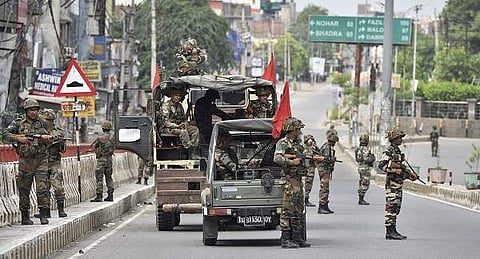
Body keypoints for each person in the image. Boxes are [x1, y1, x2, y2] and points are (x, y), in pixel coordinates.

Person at [274, 117, 323, 249]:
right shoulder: (283, 143)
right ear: (292, 130)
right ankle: (285, 239)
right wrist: (291, 162)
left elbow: (305, 157)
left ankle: (297, 237)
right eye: (298, 129)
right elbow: (277, 157)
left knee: (298, 210)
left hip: (297, 181)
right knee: (287, 210)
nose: (299, 132)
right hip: (289, 181)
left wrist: (315, 159)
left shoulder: (297, 145)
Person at [5, 98, 53, 225]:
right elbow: (6, 134)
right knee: (24, 188)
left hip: (41, 159)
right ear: (26, 110)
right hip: (25, 161)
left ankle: (43, 214)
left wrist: (48, 139)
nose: (34, 112)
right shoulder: (19, 123)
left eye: (36, 110)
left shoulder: (43, 122)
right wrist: (19, 139)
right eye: (31, 110)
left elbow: (52, 137)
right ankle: (25, 215)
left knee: (42, 187)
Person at [378, 127, 417, 240]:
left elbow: (401, 169)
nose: (401, 140)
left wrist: (409, 176)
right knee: (391, 206)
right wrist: (395, 170)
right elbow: (381, 165)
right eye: (399, 137)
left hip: (398, 184)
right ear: (394, 139)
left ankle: (393, 230)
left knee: (396, 207)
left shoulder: (397, 151)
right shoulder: (389, 151)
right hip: (392, 184)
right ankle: (390, 231)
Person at [32, 109, 68, 219]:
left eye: (47, 120)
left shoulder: (59, 132)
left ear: (52, 120)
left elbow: (63, 150)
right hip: (42, 163)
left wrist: (60, 143)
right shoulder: (40, 133)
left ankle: (61, 209)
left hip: (54, 163)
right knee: (43, 189)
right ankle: (45, 211)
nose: (45, 122)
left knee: (57, 186)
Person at [89, 121, 115, 202]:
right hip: (109, 159)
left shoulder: (100, 138)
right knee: (109, 177)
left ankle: (99, 196)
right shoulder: (113, 138)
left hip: (101, 160)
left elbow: (94, 146)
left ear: (103, 128)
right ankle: (110, 195)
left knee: (99, 178)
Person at [317, 133, 339, 214]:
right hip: (324, 170)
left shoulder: (329, 147)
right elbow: (326, 158)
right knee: (324, 188)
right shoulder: (327, 147)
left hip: (326, 169)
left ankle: (325, 205)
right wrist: (332, 159)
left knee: (326, 188)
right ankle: (322, 206)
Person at [355, 134, 376, 205]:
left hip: (360, 167)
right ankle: (361, 199)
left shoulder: (358, 149)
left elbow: (357, 159)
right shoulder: (365, 149)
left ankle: (361, 198)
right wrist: (372, 158)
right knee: (365, 183)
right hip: (365, 167)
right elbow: (366, 159)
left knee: (362, 182)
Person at [303, 134, 320, 207]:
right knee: (306, 184)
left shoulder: (312, 148)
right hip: (306, 168)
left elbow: (319, 152)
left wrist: (315, 146)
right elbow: (306, 156)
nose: (311, 141)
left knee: (309, 184)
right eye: (310, 140)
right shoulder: (304, 148)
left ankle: (306, 198)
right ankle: (304, 199)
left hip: (311, 168)